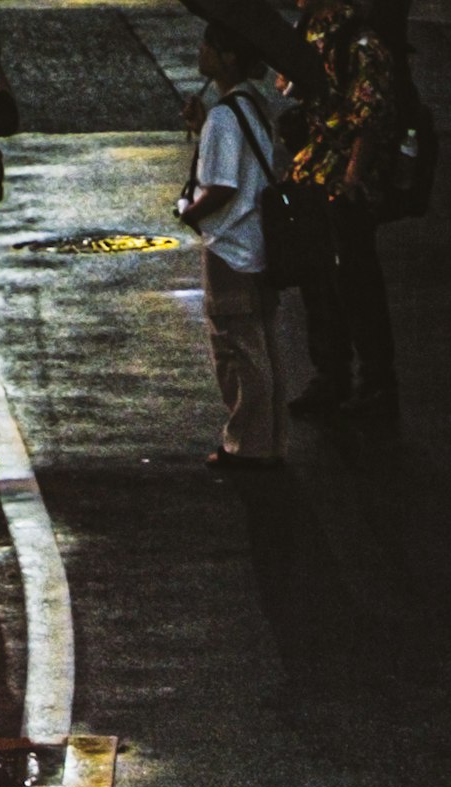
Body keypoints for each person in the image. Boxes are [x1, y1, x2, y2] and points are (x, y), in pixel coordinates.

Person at [183, 32, 294, 470]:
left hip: (232, 247)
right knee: (260, 346)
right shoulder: (249, 105)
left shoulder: (226, 118)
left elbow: (223, 186)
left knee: (237, 350)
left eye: (210, 45)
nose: (201, 51)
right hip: (255, 243)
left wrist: (191, 213)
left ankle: (247, 445)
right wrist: (200, 127)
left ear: (229, 56)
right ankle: (269, 439)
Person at [286, 0, 399, 423]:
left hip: (341, 181)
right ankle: (331, 375)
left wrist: (351, 178)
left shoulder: (362, 42)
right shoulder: (310, 28)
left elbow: (368, 119)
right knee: (318, 280)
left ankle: (375, 384)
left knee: (355, 283)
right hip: (312, 172)